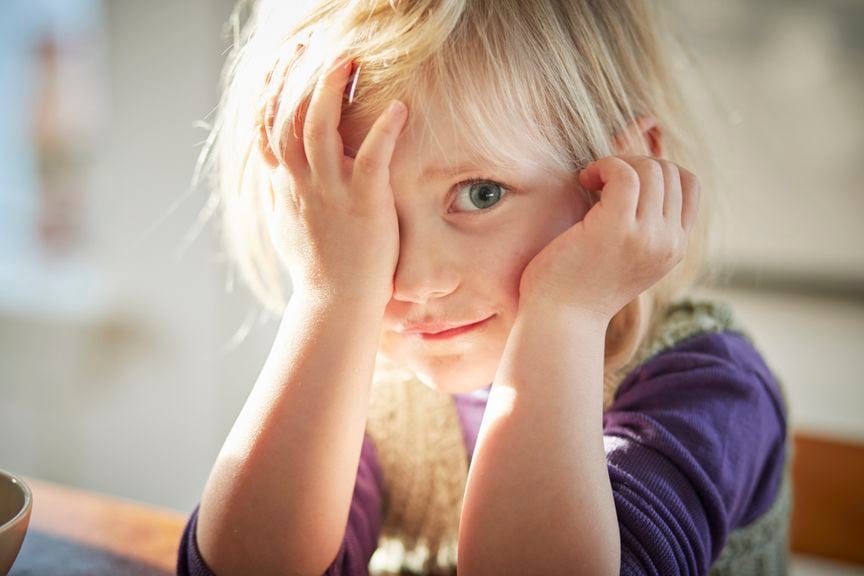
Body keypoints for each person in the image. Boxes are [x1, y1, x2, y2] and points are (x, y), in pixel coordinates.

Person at [177, 0, 790, 574]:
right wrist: (330, 296)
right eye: (362, 212)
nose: (414, 281)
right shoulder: (369, 388)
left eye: (481, 193)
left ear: (625, 180)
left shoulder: (711, 388)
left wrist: (567, 315)